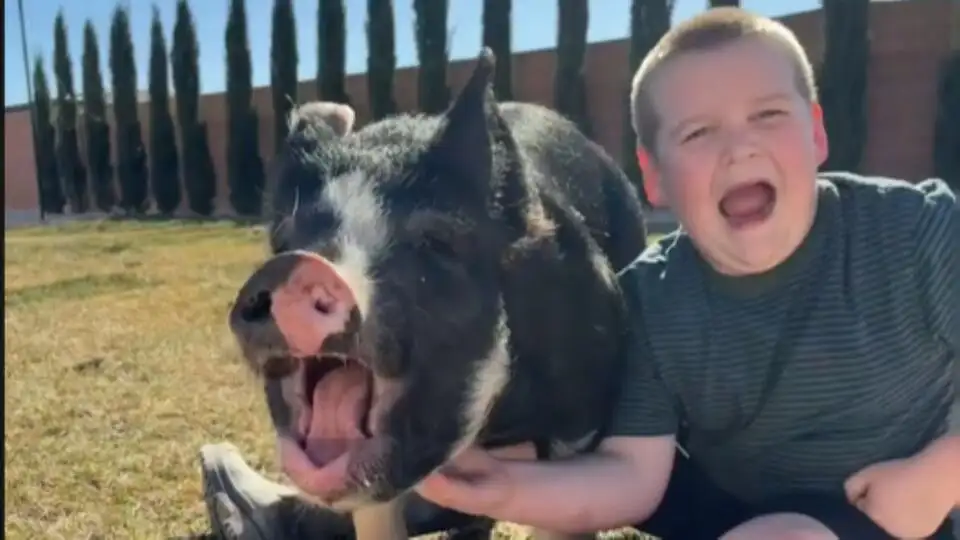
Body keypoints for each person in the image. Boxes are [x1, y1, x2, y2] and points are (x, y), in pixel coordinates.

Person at [201, 7, 959, 540]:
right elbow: (632, 472)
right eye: (698, 133)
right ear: (653, 180)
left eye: (768, 117)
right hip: (730, 509)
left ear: (819, 134)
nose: (739, 149)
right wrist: (516, 491)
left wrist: (939, 473)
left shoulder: (916, 231)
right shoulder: (653, 301)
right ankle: (294, 515)